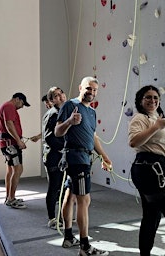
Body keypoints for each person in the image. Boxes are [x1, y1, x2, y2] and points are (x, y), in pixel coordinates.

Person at [55, 76, 112, 256]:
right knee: (84, 200)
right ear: (81, 87)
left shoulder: (92, 112)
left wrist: (104, 157)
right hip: (75, 158)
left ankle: (69, 237)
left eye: (95, 90)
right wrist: (69, 121)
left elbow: (93, 138)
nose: (91, 92)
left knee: (70, 195)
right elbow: (57, 131)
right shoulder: (69, 106)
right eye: (88, 88)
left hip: (84, 158)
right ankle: (85, 247)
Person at [128, 85, 165, 256]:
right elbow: (134, 142)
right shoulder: (140, 118)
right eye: (148, 97)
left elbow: (150, 142)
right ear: (140, 100)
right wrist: (156, 127)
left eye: (155, 97)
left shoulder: (155, 117)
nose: (152, 100)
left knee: (152, 215)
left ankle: (145, 253)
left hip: (155, 168)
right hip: (151, 171)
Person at [42, 86, 77, 233]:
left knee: (65, 187)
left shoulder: (66, 111)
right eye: (55, 96)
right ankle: (52, 218)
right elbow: (49, 137)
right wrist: (63, 148)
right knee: (55, 187)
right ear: (51, 101)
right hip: (53, 156)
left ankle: (63, 215)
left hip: (64, 155)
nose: (60, 97)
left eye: (61, 93)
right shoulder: (53, 114)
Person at [0, 92, 31, 209]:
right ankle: (11, 199)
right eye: (22, 103)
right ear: (17, 99)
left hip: (8, 143)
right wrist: (18, 141)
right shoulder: (9, 107)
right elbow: (9, 124)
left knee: (11, 170)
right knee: (18, 169)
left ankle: (9, 197)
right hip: (10, 144)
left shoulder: (7, 107)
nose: (22, 106)